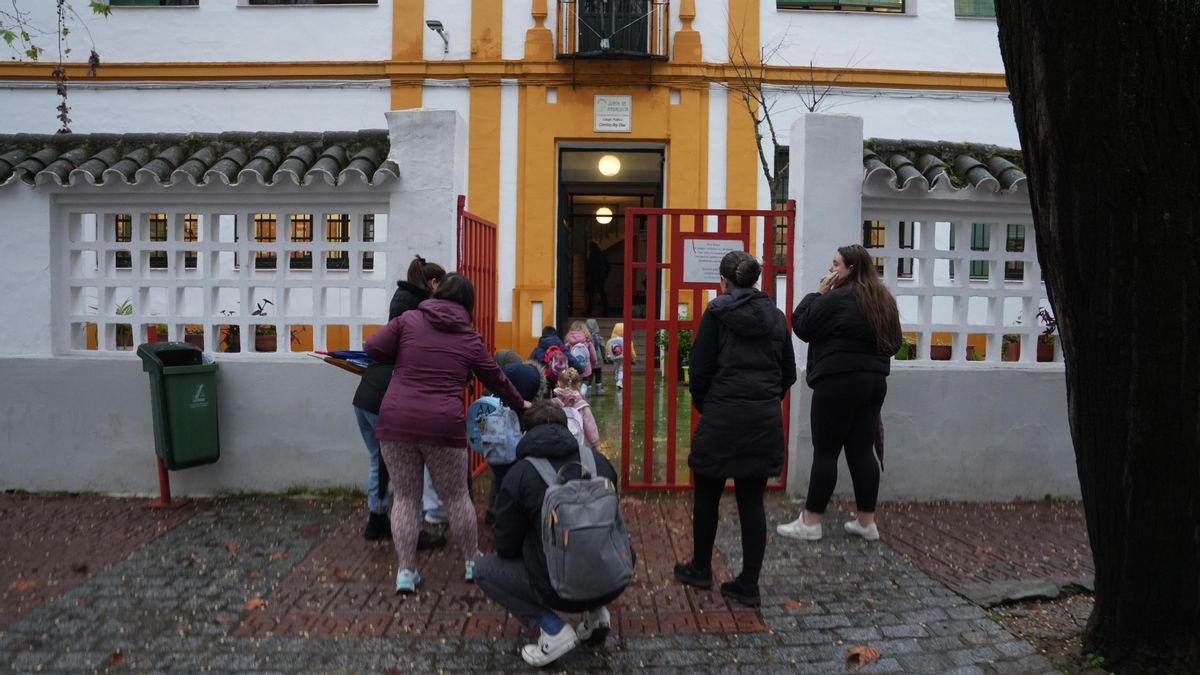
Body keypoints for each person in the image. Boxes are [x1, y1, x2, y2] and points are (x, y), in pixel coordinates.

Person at [366, 273, 531, 594]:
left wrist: (402, 356)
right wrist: (520, 402)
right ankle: (472, 562)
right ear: (468, 304)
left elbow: (373, 347)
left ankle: (405, 572)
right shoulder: (468, 337)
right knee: (456, 496)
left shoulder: (409, 320)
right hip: (442, 424)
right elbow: (496, 377)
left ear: (437, 292)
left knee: (406, 498)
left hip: (396, 420)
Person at [673, 251, 796, 608]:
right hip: (762, 418)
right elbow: (787, 372)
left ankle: (700, 568)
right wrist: (765, 400)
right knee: (751, 501)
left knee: (707, 494)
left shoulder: (717, 313)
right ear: (754, 281)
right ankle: (749, 584)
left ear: (723, 282)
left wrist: (708, 404)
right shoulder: (775, 317)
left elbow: (699, 370)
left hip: (722, 416)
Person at [474, 402, 628, 667]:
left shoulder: (519, 474)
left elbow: (506, 547)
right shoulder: (599, 462)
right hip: (613, 576)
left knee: (483, 569)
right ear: (567, 427)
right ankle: (597, 614)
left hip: (558, 588)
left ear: (525, 434)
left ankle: (553, 629)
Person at [776, 244, 901, 543]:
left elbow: (801, 324)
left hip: (837, 382)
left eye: (836, 265)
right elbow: (894, 343)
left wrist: (818, 293)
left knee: (827, 451)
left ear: (851, 268)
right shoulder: (883, 299)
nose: (832, 270)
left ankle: (811, 522)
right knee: (861, 450)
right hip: (873, 384)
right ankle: (866, 522)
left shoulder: (837, 298)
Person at [351, 255, 447, 550]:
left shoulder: (400, 303)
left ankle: (377, 520)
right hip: (386, 400)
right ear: (432, 284)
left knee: (378, 463)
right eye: (442, 287)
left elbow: (377, 346)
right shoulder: (420, 311)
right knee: (409, 472)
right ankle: (414, 531)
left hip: (365, 395)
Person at [550, 367, 601, 452]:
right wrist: (595, 443)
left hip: (558, 444)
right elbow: (590, 426)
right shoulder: (582, 405)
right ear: (578, 384)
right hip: (579, 445)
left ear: (558, 383)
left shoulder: (554, 404)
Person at [563, 320, 599, 385]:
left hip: (572, 370)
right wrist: (594, 362)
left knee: (572, 383)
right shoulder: (588, 342)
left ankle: (573, 393)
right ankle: (584, 394)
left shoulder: (569, 342)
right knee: (585, 383)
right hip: (586, 369)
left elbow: (565, 355)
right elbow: (593, 355)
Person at [584, 240, 610, 316]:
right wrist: (605, 275)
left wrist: (587, 275)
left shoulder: (592, 254)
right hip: (600, 277)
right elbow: (607, 266)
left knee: (591, 294)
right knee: (602, 294)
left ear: (592, 246)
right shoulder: (602, 254)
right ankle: (606, 311)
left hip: (593, 277)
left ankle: (589, 310)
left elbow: (590, 266)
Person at [606, 322, 634, 390]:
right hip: (623, 357)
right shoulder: (627, 340)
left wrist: (607, 357)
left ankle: (617, 380)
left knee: (616, 368)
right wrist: (632, 357)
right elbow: (631, 350)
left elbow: (607, 348)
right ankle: (620, 381)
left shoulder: (610, 340)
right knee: (622, 369)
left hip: (614, 357)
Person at [585, 319, 607, 396]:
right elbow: (603, 348)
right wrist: (604, 357)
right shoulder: (599, 338)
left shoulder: (585, 338)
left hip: (589, 360)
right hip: (598, 359)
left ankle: (588, 391)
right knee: (598, 374)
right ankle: (599, 390)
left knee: (589, 375)